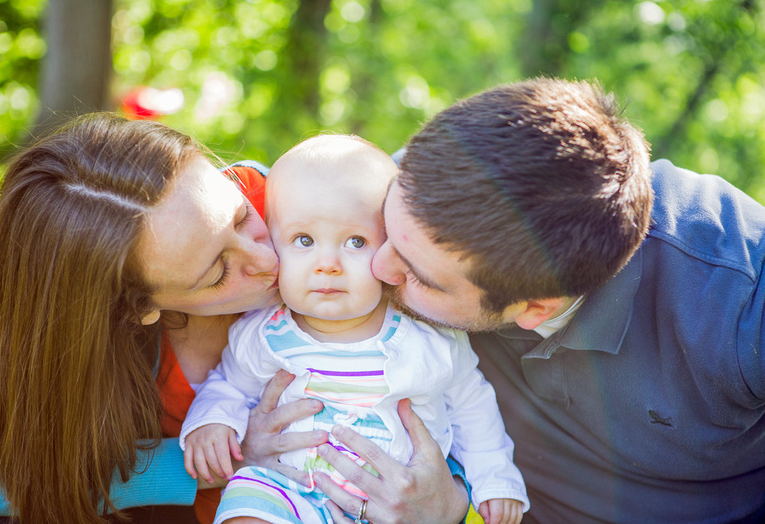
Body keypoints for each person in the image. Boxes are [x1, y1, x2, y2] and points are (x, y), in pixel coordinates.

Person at [312, 77, 765, 523]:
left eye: (419, 277)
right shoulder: (426, 194)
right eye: (384, 229)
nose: (376, 267)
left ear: (535, 308)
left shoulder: (741, 295)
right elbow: (264, 214)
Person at [0, 113, 328, 524]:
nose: (269, 259)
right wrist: (203, 463)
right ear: (138, 310)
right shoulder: (70, 341)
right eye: (217, 273)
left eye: (241, 216)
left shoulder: (301, 200)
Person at [180, 134, 528, 524]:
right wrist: (212, 421)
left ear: (390, 247)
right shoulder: (265, 335)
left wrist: (495, 480)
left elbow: (472, 406)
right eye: (304, 239)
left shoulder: (426, 337)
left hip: (396, 501)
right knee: (246, 511)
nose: (327, 263)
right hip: (287, 489)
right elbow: (229, 384)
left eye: (356, 241)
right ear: (276, 247)